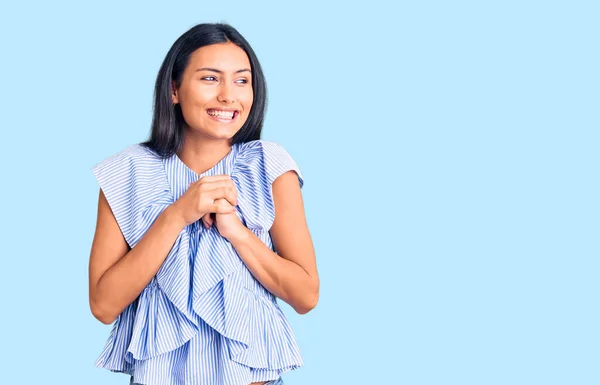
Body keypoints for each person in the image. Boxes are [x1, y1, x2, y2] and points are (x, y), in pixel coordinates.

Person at [88, 22, 319, 385]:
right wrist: (178, 214)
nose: (229, 96)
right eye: (211, 79)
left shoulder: (269, 166)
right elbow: (103, 306)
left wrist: (237, 233)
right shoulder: (127, 171)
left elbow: (306, 296)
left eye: (242, 81)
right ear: (174, 90)